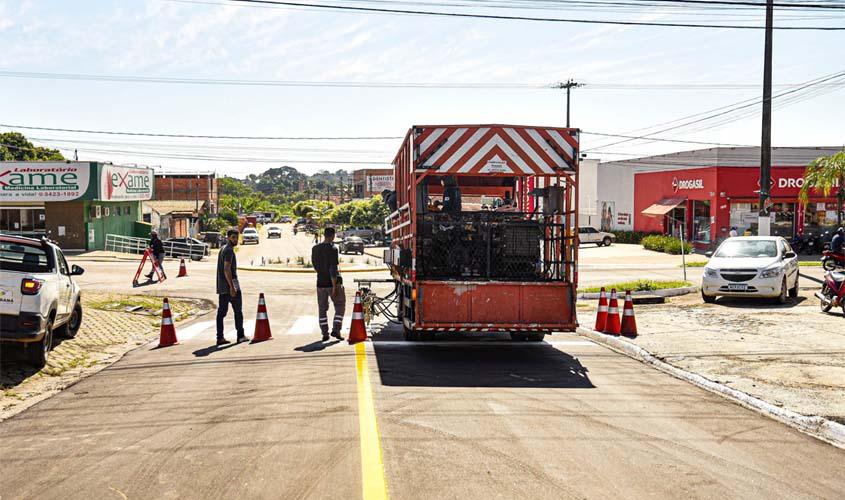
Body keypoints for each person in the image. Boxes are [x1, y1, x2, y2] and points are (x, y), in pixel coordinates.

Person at [312, 227, 345, 341]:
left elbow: (315, 266)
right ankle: (336, 330)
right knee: (340, 305)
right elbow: (332, 269)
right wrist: (335, 286)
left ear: (324, 235)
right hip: (332, 283)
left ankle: (324, 333)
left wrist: (322, 274)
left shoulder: (315, 249)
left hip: (320, 283)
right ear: (332, 236)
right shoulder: (333, 249)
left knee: (322, 308)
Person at [216, 229, 248, 346]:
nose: (235, 240)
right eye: (233, 237)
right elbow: (226, 269)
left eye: (237, 237)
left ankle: (220, 337)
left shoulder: (223, 249)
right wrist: (232, 287)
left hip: (222, 287)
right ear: (228, 237)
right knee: (238, 311)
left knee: (221, 313)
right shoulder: (229, 250)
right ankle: (240, 336)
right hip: (230, 285)